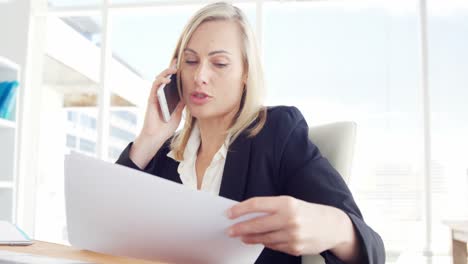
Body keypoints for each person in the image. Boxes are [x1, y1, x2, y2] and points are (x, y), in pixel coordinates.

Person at [116, 2, 385, 263]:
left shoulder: (278, 133)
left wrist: (333, 228)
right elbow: (111, 230)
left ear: (246, 72)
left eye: (219, 64)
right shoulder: (165, 153)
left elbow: (371, 250)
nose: (200, 76)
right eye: (190, 61)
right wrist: (149, 138)